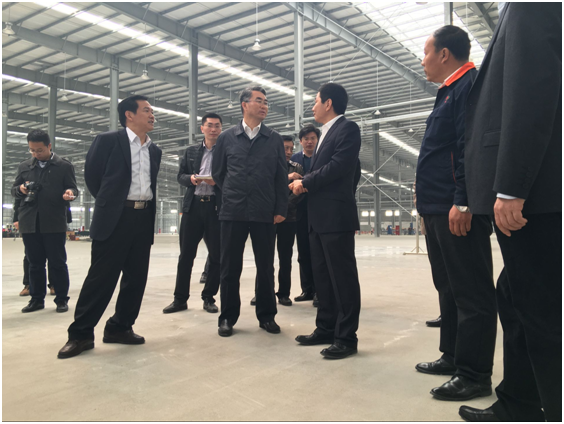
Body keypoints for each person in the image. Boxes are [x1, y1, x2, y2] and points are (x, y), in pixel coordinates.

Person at [459, 3, 561, 422]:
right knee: (515, 296)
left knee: (542, 313)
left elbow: (530, 90)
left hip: (535, 194)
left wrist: (512, 186)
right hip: (538, 189)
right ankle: (520, 402)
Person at [414, 25, 497, 402]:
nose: (423, 60)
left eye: (426, 52)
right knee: (448, 286)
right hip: (437, 208)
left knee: (471, 291)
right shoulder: (448, 90)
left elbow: (469, 147)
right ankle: (452, 355)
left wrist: (463, 200)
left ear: (444, 54)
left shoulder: (469, 86)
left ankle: (474, 374)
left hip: (456, 208)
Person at [58, 95, 162, 359]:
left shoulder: (154, 150)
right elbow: (93, 177)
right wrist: (112, 203)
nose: (152, 115)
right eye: (146, 110)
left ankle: (120, 327)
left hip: (143, 217)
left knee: (136, 278)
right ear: (129, 114)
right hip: (116, 217)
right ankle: (80, 334)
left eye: (152, 111)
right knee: (101, 278)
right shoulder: (107, 141)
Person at [290, 83, 361, 360]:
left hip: (336, 217)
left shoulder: (347, 129)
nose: (313, 106)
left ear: (328, 103)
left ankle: (346, 337)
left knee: (342, 278)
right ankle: (326, 328)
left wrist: (305, 182)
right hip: (318, 218)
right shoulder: (325, 134)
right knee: (323, 278)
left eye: (316, 101)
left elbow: (340, 166)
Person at [212, 86, 288, 337]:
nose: (264, 105)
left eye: (266, 102)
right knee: (229, 267)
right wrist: (233, 193)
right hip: (233, 211)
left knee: (265, 267)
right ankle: (227, 317)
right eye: (259, 101)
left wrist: (280, 207)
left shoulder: (273, 139)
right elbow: (218, 173)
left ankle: (267, 316)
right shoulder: (227, 137)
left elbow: (280, 177)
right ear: (244, 105)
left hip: (264, 211)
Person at [11, 129, 78, 314]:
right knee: (34, 263)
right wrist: (21, 189)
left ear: (49, 146)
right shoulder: (24, 166)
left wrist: (70, 193)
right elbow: (13, 191)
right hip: (30, 221)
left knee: (57, 262)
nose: (35, 154)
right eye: (32, 150)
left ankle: (61, 299)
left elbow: (73, 188)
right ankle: (36, 299)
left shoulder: (63, 166)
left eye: (39, 150)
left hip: (54, 221)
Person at [162, 113, 223, 315]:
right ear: (202, 128)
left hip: (215, 208)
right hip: (193, 207)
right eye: (209, 125)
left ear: (221, 129)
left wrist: (217, 181)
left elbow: (232, 178)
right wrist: (191, 178)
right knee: (186, 255)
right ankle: (180, 299)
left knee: (216, 256)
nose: (213, 129)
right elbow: (180, 176)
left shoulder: (226, 152)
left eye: (217, 126)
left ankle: (209, 298)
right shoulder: (191, 152)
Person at [251, 136, 305, 307]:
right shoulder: (266, 165)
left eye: (291, 148)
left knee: (285, 258)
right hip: (267, 218)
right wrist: (287, 177)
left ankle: (283, 293)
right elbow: (262, 187)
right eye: (284, 148)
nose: (288, 152)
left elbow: (298, 193)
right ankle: (261, 293)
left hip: (288, 218)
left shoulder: (297, 167)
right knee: (264, 258)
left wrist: (282, 209)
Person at [15, 198, 72, 296]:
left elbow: (65, 197)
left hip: (53, 220)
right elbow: (18, 198)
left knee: (54, 257)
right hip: (30, 219)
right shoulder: (23, 187)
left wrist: (67, 218)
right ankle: (28, 284)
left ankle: (54, 285)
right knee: (30, 257)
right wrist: (16, 218)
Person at [290, 125, 320, 306]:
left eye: (312, 138)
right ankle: (307, 289)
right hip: (299, 211)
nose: (309, 142)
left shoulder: (321, 158)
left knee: (318, 252)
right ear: (300, 141)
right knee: (303, 252)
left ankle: (319, 291)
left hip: (318, 210)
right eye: (306, 139)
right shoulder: (294, 160)